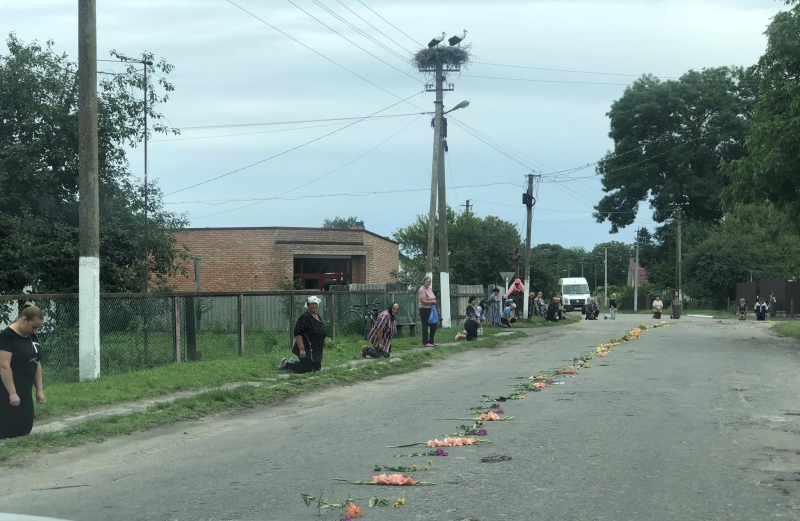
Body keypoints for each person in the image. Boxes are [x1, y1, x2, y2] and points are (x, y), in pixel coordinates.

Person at [0, 304, 46, 440]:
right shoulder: (6, 337)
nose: (35, 331)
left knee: (25, 430)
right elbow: (3, 366)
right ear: (24, 320)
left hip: (25, 392)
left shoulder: (31, 336)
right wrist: (12, 393)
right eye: (34, 327)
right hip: (6, 392)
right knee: (8, 433)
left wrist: (39, 390)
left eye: (38, 328)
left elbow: (36, 362)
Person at [278, 296, 326, 373]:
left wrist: (321, 351)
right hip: (306, 348)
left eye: (315, 304)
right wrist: (302, 349)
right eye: (312, 304)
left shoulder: (318, 317)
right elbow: (298, 333)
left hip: (316, 350)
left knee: (317, 368)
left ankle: (293, 362)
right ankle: (285, 364)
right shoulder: (304, 317)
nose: (314, 306)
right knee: (307, 369)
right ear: (308, 305)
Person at [418, 277, 438, 347]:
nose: (428, 283)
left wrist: (433, 302)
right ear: (424, 282)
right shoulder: (422, 290)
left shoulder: (430, 289)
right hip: (424, 309)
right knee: (425, 325)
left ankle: (431, 341)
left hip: (431, 309)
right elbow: (423, 301)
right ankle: (425, 342)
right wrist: (432, 301)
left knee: (434, 325)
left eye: (430, 282)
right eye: (427, 281)